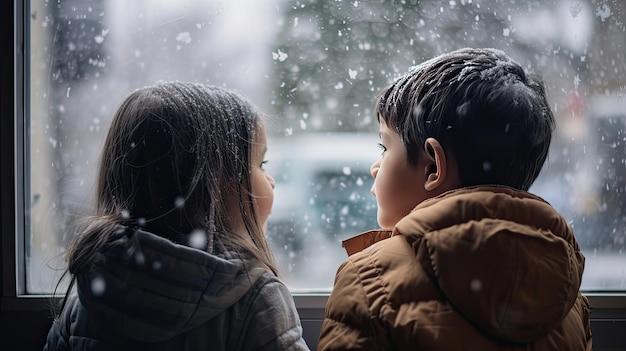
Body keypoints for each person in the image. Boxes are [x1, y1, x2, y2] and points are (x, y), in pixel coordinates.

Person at [318, 48, 592, 350]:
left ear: (433, 167)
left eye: (385, 147)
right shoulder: (566, 299)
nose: (375, 167)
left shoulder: (369, 280)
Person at [43, 82, 310, 351]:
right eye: (261, 164)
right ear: (214, 186)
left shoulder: (91, 295)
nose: (271, 181)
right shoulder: (255, 299)